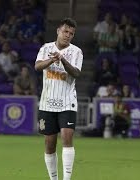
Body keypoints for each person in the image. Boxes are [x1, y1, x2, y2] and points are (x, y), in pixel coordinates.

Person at [34, 18, 83, 180]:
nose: (68, 35)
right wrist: (52, 60)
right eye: (65, 31)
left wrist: (62, 59)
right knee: (49, 143)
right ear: (58, 31)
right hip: (47, 102)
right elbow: (37, 66)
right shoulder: (46, 48)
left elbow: (76, 73)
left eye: (71, 33)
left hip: (67, 101)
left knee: (67, 136)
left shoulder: (76, 52)